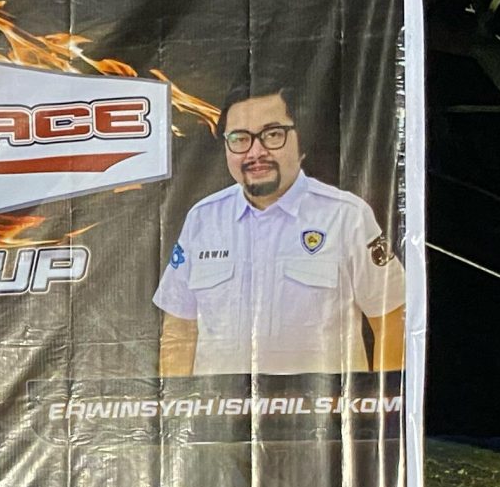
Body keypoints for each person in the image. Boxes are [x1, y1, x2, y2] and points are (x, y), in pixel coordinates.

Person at [155, 81, 407, 377]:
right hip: (219, 405)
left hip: (321, 406)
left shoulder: (346, 216)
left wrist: (379, 399)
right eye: (240, 138)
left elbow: (392, 319)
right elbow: (179, 330)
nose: (255, 152)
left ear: (301, 142)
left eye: (272, 134)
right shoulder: (203, 219)